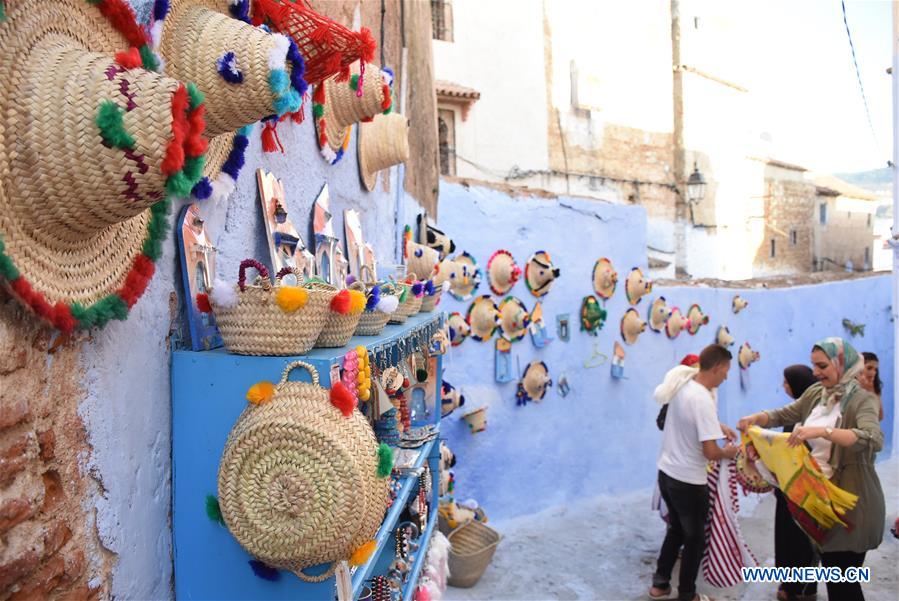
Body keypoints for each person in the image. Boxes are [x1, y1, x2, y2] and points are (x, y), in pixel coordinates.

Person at [737, 338, 884, 601]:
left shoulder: (861, 400)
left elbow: (872, 439)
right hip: (820, 501)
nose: (815, 372)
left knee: (842, 583)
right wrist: (757, 418)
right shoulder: (818, 394)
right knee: (837, 579)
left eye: (822, 365)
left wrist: (823, 431)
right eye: (813, 365)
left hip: (850, 504)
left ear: (842, 363)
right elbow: (785, 413)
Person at [649, 345, 738, 601]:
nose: (726, 377)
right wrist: (728, 453)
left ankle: (660, 583)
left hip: (667, 474)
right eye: (726, 371)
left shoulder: (683, 385)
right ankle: (687, 594)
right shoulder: (702, 398)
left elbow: (689, 421)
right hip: (689, 480)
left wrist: (718, 426)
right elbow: (710, 451)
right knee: (695, 538)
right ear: (718, 367)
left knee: (675, 529)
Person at [774, 365, 820, 601]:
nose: (783, 387)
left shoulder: (812, 416)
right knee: (790, 537)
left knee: (801, 538)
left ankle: (800, 588)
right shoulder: (798, 411)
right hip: (788, 488)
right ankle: (795, 585)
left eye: (786, 382)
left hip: (803, 489)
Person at [858, 352, 884, 421]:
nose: (873, 372)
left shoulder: (874, 388)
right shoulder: (849, 386)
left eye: (875, 369)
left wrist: (871, 391)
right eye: (869, 368)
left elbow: (880, 416)